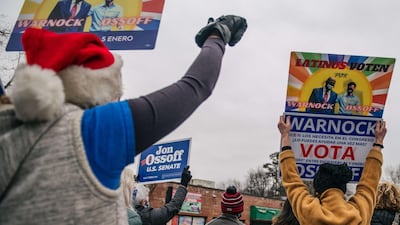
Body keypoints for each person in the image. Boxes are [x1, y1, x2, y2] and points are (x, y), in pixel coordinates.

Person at [0, 15, 247, 224]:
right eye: (115, 97)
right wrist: (217, 36)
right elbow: (195, 86)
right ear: (93, 91)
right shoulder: (91, 133)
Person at [277, 115, 386, 225]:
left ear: (318, 193)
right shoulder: (359, 214)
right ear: (343, 189)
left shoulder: (310, 212)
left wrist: (285, 136)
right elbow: (369, 184)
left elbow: (292, 181)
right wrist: (378, 142)